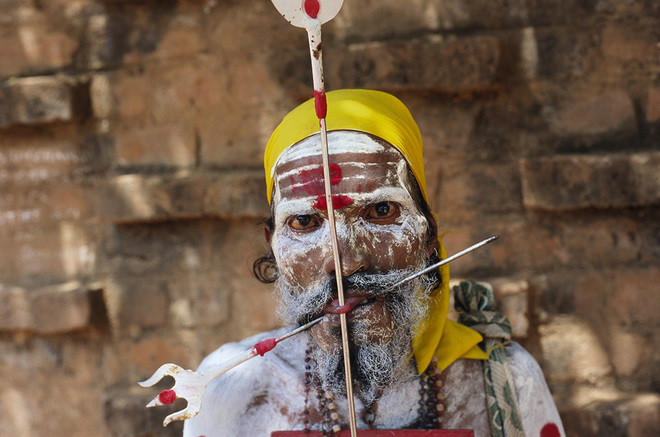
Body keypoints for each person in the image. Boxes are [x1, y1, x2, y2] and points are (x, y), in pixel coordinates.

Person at [183, 90, 565, 436]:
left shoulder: (504, 380)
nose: (344, 263)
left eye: (381, 211)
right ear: (273, 245)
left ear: (428, 235)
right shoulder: (229, 388)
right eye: (304, 221)